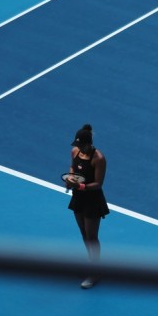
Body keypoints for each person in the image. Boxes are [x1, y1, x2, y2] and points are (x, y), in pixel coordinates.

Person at [64, 124, 109, 289]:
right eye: (77, 145)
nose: (78, 148)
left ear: (88, 143)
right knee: (84, 234)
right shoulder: (75, 152)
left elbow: (98, 183)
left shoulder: (99, 158)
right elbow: (72, 167)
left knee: (92, 237)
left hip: (93, 200)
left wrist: (81, 186)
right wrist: (70, 179)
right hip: (79, 198)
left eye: (81, 145)